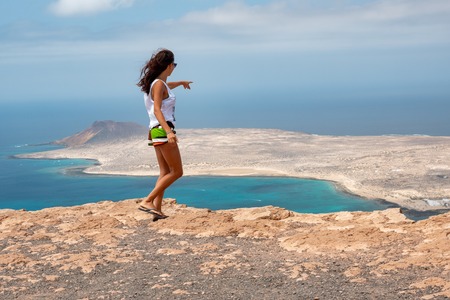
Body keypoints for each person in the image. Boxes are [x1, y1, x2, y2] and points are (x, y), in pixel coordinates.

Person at [136, 48, 192, 219]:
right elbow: (157, 110)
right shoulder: (159, 84)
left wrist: (182, 82)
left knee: (164, 172)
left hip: (155, 130)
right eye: (174, 64)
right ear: (168, 65)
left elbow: (168, 86)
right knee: (177, 172)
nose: (174, 67)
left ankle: (157, 211)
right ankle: (148, 201)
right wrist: (169, 132)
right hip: (162, 129)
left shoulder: (156, 83)